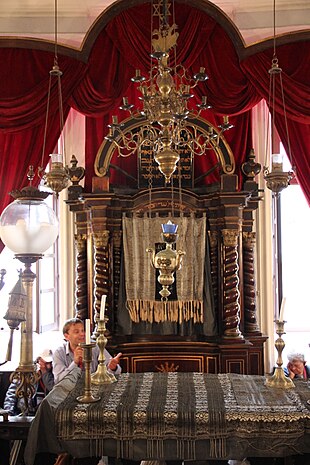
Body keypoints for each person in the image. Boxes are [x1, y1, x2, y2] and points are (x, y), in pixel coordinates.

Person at [53, 317, 122, 384]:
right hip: (70, 392)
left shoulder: (94, 346)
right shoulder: (59, 353)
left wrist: (113, 368)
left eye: (83, 330)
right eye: (76, 332)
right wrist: (75, 363)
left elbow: (115, 370)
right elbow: (58, 380)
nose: (82, 334)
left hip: (94, 389)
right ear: (66, 336)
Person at [3, 348, 54, 415]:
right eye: (46, 363)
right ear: (39, 361)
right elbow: (11, 393)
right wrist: (9, 412)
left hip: (43, 414)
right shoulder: (25, 372)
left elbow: (52, 389)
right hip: (23, 412)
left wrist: (45, 373)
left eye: (50, 363)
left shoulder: (53, 374)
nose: (49, 366)